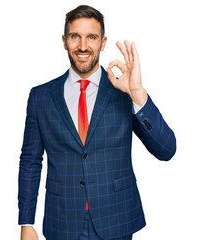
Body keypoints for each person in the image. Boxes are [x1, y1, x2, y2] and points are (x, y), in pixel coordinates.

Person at [18, 5, 176, 240]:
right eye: (75, 37)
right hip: (62, 220)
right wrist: (26, 222)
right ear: (64, 41)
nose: (83, 46)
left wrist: (137, 93)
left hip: (117, 219)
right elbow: (30, 161)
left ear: (102, 43)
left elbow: (166, 150)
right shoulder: (40, 96)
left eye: (91, 37)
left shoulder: (123, 92)